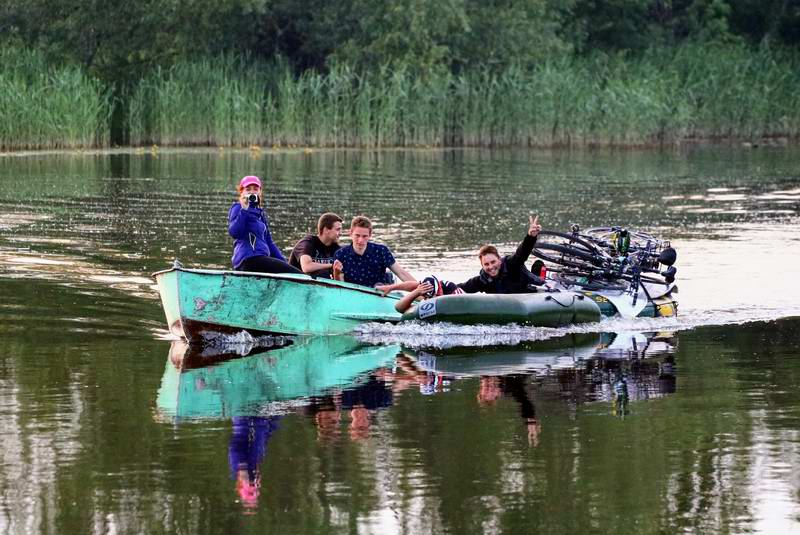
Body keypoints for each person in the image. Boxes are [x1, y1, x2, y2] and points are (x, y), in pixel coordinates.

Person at [228, 175, 301, 274]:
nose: (252, 192)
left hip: (261, 260)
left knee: (293, 272)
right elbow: (234, 232)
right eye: (248, 189)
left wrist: (285, 264)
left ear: (260, 192)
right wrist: (244, 210)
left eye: (255, 189)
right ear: (242, 192)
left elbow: (269, 242)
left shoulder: (260, 213)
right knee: (296, 274)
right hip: (248, 259)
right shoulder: (238, 208)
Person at [458, 215, 546, 294]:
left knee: (538, 276)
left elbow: (522, 253)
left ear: (499, 260)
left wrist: (531, 237)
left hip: (531, 286)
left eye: (493, 262)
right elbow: (460, 288)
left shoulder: (511, 264)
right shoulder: (482, 280)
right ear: (482, 266)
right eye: (486, 264)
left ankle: (538, 270)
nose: (491, 267)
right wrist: (444, 287)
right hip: (505, 300)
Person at [331, 215, 416, 288]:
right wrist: (337, 273)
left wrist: (420, 288)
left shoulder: (382, 251)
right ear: (351, 233)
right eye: (357, 235)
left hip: (379, 295)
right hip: (352, 296)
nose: (360, 240)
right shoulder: (340, 254)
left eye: (365, 236)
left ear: (370, 235)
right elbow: (340, 287)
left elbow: (401, 273)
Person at [288, 212, 343, 278]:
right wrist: (331, 265)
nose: (341, 233)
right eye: (338, 229)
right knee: (322, 274)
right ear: (326, 230)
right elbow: (306, 267)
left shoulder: (337, 249)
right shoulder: (307, 243)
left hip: (316, 285)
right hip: (294, 282)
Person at [384, 275, 464, 313]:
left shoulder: (453, 291)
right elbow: (399, 308)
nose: (429, 300)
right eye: (427, 297)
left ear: (440, 290)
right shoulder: (422, 292)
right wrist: (417, 292)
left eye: (433, 296)